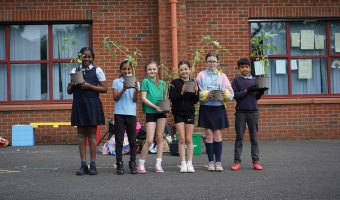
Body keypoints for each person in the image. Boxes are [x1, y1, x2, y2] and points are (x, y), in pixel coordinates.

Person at [67, 47, 107, 175]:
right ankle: (83, 164)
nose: (87, 59)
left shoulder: (97, 70)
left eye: (89, 57)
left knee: (91, 135)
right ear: (80, 58)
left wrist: (89, 86)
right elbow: (69, 90)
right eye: (84, 56)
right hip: (79, 105)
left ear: (92, 58)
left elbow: (104, 89)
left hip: (92, 105)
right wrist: (75, 80)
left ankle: (93, 165)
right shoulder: (75, 70)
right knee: (80, 135)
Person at [196, 52, 233, 172]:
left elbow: (231, 94)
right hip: (206, 107)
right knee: (209, 134)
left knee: (217, 133)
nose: (212, 63)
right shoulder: (200, 75)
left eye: (214, 61)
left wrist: (224, 93)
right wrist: (207, 94)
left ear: (218, 62)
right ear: (206, 62)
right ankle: (210, 162)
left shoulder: (222, 76)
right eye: (209, 61)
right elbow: (196, 93)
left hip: (218, 107)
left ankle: (219, 162)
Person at [231, 58, 267, 171]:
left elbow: (256, 97)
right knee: (239, 138)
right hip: (241, 112)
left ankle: (256, 161)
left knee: (254, 138)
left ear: (250, 68)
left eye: (246, 67)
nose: (244, 69)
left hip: (253, 112)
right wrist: (246, 91)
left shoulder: (255, 80)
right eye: (242, 67)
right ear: (239, 69)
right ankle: (237, 161)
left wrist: (260, 92)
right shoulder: (236, 81)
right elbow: (235, 96)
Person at [169, 60, 199, 173]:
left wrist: (196, 92)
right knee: (181, 139)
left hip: (190, 112)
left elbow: (195, 101)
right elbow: (172, 98)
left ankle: (190, 163)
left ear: (189, 70)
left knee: (188, 138)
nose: (184, 71)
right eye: (181, 69)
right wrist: (181, 92)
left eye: (186, 69)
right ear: (179, 71)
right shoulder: (175, 82)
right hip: (178, 113)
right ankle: (183, 163)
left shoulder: (194, 83)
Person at [137, 60, 167, 173]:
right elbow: (144, 98)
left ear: (157, 70)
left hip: (161, 113)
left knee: (160, 138)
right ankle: (141, 164)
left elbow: (164, 98)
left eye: (154, 69)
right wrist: (155, 107)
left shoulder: (163, 83)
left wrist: (166, 104)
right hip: (151, 112)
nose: (152, 71)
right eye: (149, 69)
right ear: (146, 71)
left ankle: (158, 164)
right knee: (149, 140)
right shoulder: (145, 81)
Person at [112, 59, 139, 175]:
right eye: (124, 69)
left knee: (133, 141)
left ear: (131, 70)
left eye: (128, 69)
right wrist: (123, 89)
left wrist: (136, 90)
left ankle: (133, 163)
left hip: (131, 114)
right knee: (119, 140)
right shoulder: (116, 82)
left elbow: (135, 100)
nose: (126, 71)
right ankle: (119, 164)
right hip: (119, 114)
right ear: (120, 70)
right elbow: (115, 98)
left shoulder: (136, 82)